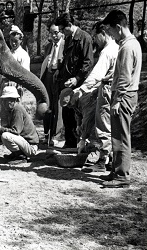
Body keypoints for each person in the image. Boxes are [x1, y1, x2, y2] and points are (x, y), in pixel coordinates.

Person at [100, 9, 142, 188]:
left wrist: (117, 100)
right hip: (126, 94)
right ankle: (117, 169)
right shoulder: (131, 44)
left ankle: (122, 175)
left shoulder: (127, 47)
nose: (109, 34)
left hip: (123, 96)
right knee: (117, 134)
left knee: (121, 136)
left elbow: (125, 77)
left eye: (110, 31)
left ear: (118, 27)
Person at [73, 21, 119, 173]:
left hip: (107, 89)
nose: (94, 40)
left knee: (104, 126)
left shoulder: (107, 51)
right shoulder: (117, 48)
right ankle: (111, 159)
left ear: (103, 33)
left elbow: (97, 75)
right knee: (112, 126)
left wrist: (81, 89)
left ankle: (102, 160)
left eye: (95, 36)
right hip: (112, 89)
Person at [54, 12, 94, 148]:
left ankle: (81, 145)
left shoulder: (85, 38)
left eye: (63, 29)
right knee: (67, 113)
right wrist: (59, 71)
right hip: (66, 84)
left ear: (70, 25)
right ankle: (70, 143)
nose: (62, 33)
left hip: (79, 86)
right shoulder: (68, 39)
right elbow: (66, 59)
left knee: (79, 116)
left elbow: (88, 63)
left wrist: (77, 79)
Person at [0, 25, 30, 129]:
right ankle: (4, 129)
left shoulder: (23, 55)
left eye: (16, 40)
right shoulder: (8, 53)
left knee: (14, 109)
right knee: (4, 110)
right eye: (11, 40)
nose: (13, 43)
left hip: (15, 87)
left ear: (21, 40)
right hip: (5, 85)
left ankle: (15, 130)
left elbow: (25, 73)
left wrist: (19, 84)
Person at [0, 86, 39, 162]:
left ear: (15, 100)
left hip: (30, 146)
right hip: (24, 143)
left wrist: (2, 129)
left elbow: (16, 131)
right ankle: (17, 153)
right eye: (4, 100)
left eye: (9, 100)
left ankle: (21, 156)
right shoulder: (10, 110)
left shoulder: (17, 109)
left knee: (5, 136)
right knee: (5, 135)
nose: (5, 102)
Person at [40, 23, 65, 146]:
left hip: (58, 77)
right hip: (48, 77)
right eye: (51, 33)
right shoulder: (48, 46)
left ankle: (56, 135)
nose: (54, 35)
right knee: (47, 106)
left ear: (61, 32)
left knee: (57, 107)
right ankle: (46, 134)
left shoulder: (65, 45)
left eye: (56, 32)